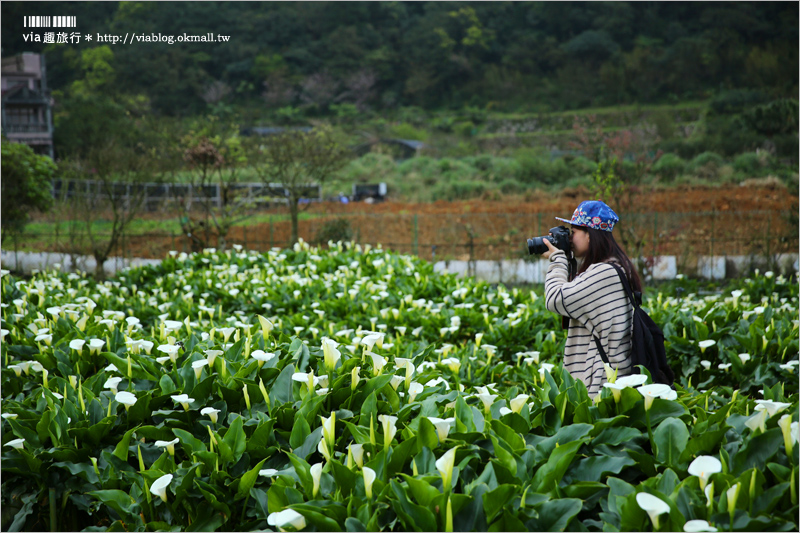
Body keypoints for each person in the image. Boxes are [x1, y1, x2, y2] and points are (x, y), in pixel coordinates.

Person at [541, 200, 642, 396]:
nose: (569, 239)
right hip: (607, 381)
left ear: (590, 235)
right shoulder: (615, 267)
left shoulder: (603, 273)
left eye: (574, 232)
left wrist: (558, 259)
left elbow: (555, 298)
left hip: (601, 387)